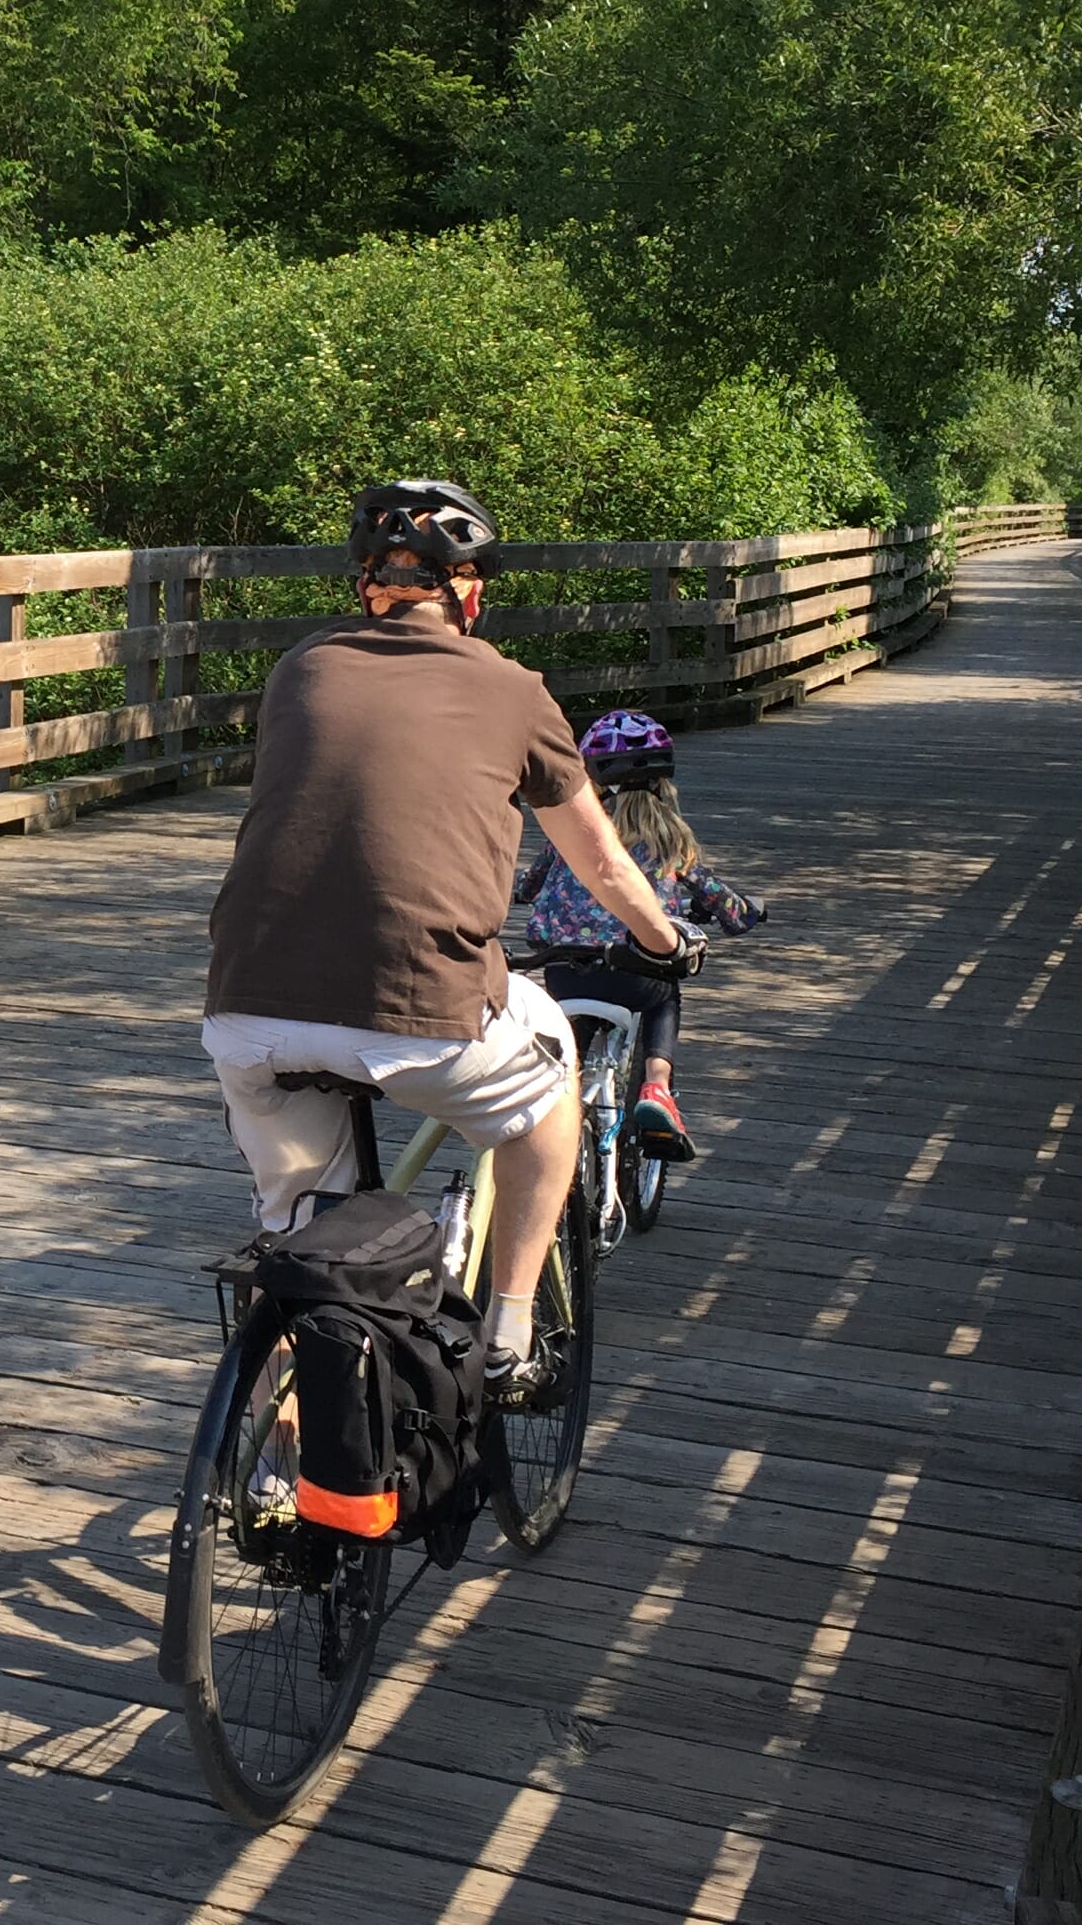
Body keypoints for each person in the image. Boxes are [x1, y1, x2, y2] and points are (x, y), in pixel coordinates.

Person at [202, 480, 696, 1396]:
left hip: (245, 1012)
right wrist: (665, 945)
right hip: (422, 1009)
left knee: (301, 1246)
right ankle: (510, 1333)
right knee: (550, 1086)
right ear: (468, 592)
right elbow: (603, 862)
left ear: (367, 587)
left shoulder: (299, 670)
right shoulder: (513, 689)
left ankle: (277, 1430)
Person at [514, 711, 766, 1164]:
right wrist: (745, 913)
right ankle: (656, 1086)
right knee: (664, 996)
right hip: (636, 972)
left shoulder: (574, 833)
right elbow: (717, 898)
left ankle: (561, 1108)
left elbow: (529, 886)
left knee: (572, 1040)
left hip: (565, 967)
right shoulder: (669, 839)